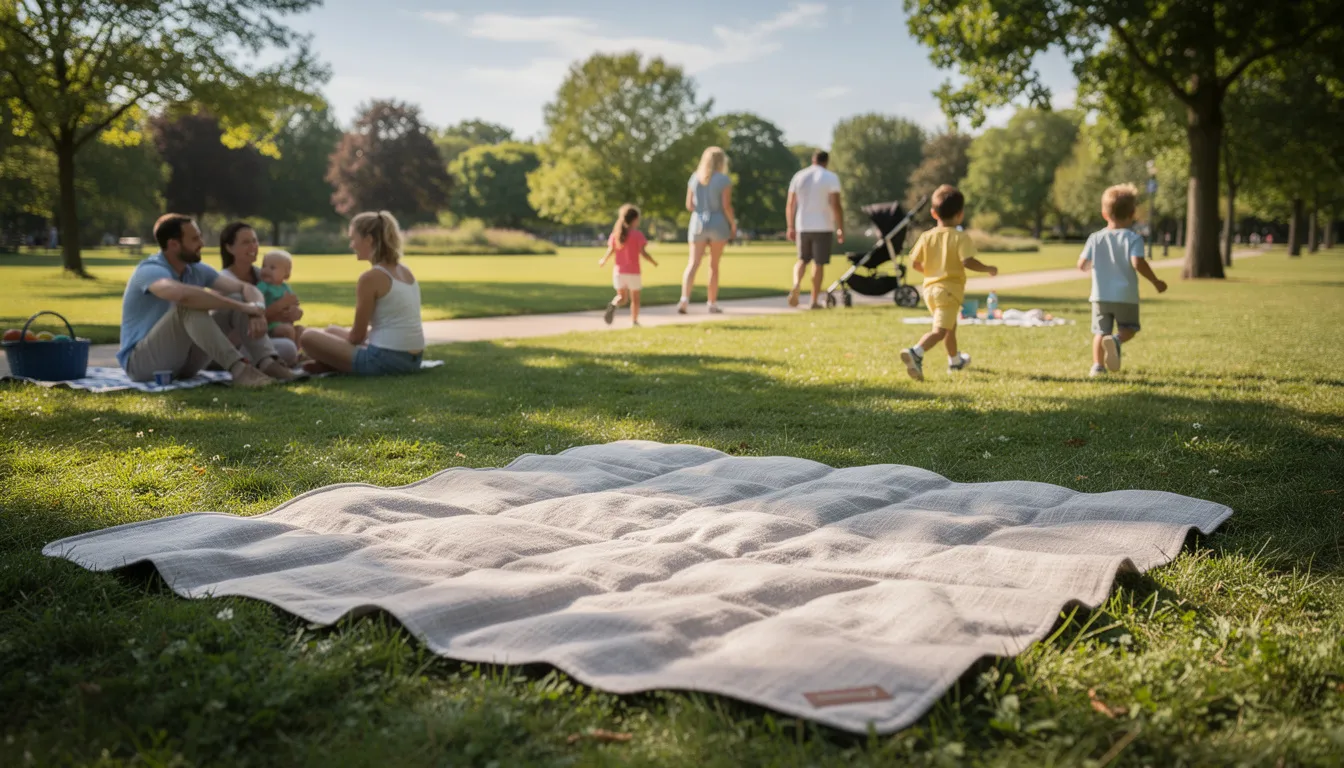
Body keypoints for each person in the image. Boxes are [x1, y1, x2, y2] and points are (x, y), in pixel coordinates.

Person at [117, 214, 290, 388]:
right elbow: (182, 295)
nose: (202, 243)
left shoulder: (196, 270)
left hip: (185, 365)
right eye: (195, 239)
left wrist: (257, 310)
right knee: (188, 306)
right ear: (173, 245)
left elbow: (247, 288)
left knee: (235, 297)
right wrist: (244, 307)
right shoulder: (149, 271)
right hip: (143, 365)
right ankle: (241, 370)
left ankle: (269, 363)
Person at [299, 211, 425, 375]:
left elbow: (357, 337)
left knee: (307, 337)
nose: (351, 245)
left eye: (353, 239)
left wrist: (327, 349)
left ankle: (332, 363)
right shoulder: (405, 271)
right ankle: (332, 363)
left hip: (386, 361)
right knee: (331, 331)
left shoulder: (370, 278)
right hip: (413, 359)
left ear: (368, 240)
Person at [898, 185, 999, 381]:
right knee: (940, 331)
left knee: (950, 327)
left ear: (933, 213)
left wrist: (929, 271)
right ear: (960, 215)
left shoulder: (927, 236)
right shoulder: (960, 237)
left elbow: (915, 262)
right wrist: (988, 269)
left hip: (930, 291)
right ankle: (916, 352)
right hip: (949, 292)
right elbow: (967, 261)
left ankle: (954, 361)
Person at [1077, 183, 1168, 378]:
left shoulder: (1095, 238)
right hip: (1125, 295)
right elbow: (1138, 263)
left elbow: (1082, 264)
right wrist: (1155, 281)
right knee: (1129, 329)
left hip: (1100, 296)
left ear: (1104, 213)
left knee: (1100, 332)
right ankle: (1117, 340)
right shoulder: (1133, 239)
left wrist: (1088, 266)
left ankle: (1097, 367)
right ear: (1132, 213)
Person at [680, 146, 735, 315]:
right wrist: (733, 224)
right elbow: (726, 206)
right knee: (714, 265)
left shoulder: (694, 178)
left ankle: (684, 300)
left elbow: (689, 205)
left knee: (693, 263)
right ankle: (711, 303)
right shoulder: (723, 180)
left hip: (697, 223)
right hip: (718, 222)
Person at [786, 150, 844, 309]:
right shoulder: (830, 178)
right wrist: (840, 228)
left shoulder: (799, 176)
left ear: (813, 160)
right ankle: (813, 300)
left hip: (802, 225)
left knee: (802, 260)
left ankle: (796, 283)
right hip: (823, 225)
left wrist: (790, 226)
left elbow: (790, 204)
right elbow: (836, 205)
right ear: (826, 161)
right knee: (818, 264)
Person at [599, 204, 658, 327]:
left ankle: (614, 303)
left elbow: (611, 250)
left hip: (619, 272)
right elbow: (643, 253)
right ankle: (634, 321)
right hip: (633, 272)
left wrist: (603, 260)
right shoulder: (637, 235)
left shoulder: (616, 234)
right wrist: (653, 261)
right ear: (635, 219)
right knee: (635, 299)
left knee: (622, 298)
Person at [258, 250, 304, 344]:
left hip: (286, 323)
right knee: (287, 330)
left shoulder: (285, 288)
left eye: (272, 268)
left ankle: (297, 353)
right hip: (270, 326)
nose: (266, 270)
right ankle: (292, 355)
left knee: (301, 330)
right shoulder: (262, 286)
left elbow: (293, 303)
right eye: (263, 266)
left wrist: (296, 311)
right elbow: (258, 306)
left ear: (286, 274)